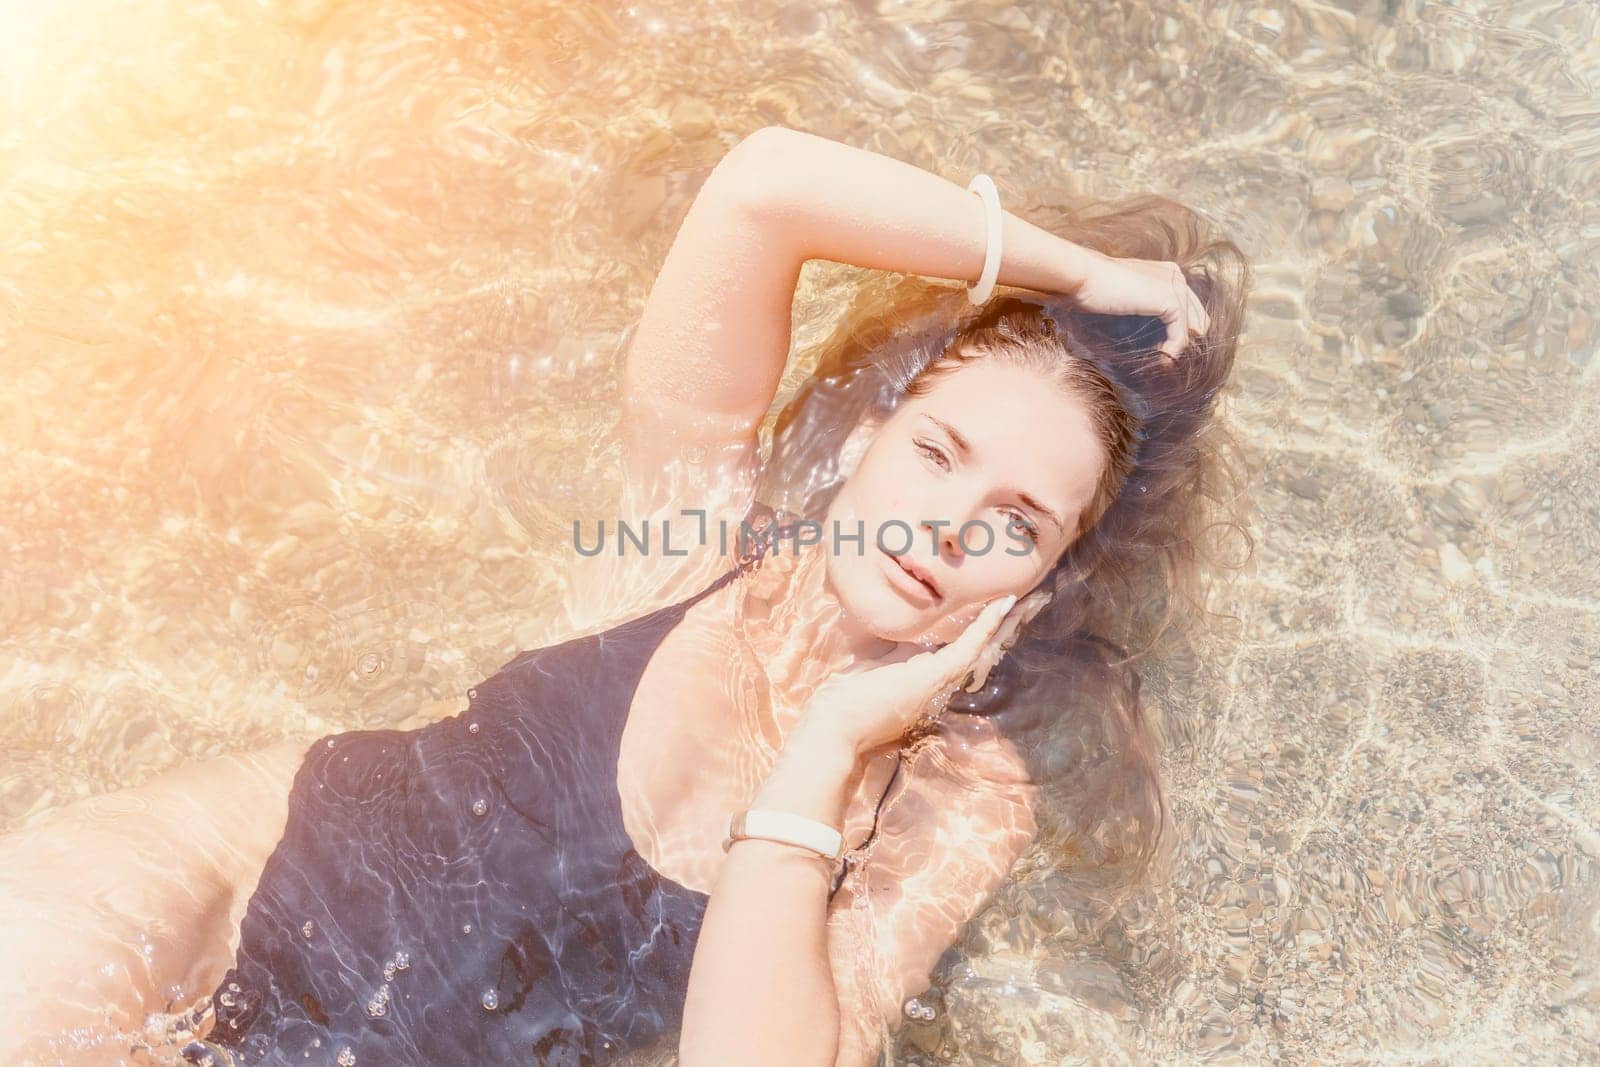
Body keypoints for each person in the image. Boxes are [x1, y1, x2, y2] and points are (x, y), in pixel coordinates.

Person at [0, 125, 1249, 1065]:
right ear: (874, 424)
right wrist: (1078, 273)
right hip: (214, 884)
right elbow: (762, 190)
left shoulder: (954, 795)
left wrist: (826, 750)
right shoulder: (691, 539)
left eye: (1016, 522)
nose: (946, 526)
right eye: (937, 450)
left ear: (1050, 575)